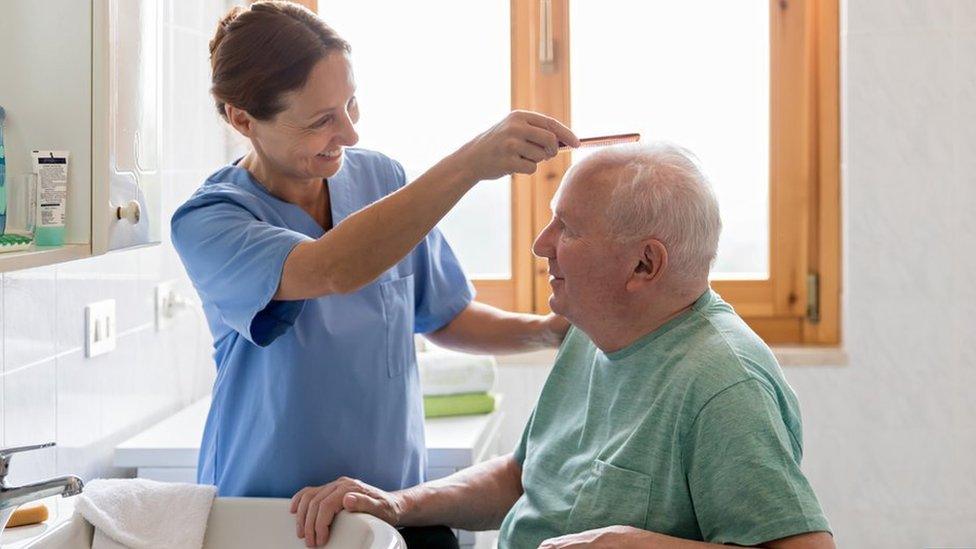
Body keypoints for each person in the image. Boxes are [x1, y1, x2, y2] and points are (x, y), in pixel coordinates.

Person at [170, 2, 579, 545]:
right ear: (242, 118)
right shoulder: (210, 221)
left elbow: (444, 315)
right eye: (321, 120)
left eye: (351, 104)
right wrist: (469, 164)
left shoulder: (382, 181)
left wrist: (549, 332)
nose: (349, 133)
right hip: (275, 517)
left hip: (392, 505)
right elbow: (331, 268)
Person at [293, 143, 835, 549]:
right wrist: (399, 503)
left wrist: (634, 545)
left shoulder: (723, 384)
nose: (539, 245)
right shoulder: (590, 331)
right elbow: (523, 475)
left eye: (567, 229)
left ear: (644, 264)